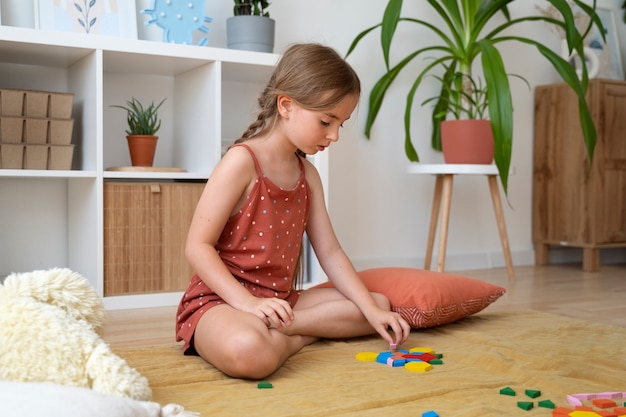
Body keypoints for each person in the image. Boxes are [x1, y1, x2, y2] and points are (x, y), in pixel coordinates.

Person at [176, 43, 411, 379]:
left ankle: (284, 327)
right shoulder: (241, 162)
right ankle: (296, 338)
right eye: (326, 121)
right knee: (249, 352)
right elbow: (197, 248)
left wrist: (371, 310)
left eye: (340, 124)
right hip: (222, 301)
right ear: (286, 105)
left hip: (281, 301)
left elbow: (329, 251)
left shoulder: (308, 175)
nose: (335, 135)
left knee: (378, 305)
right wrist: (247, 304)